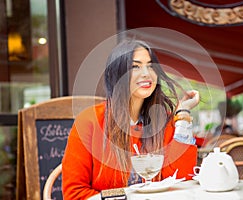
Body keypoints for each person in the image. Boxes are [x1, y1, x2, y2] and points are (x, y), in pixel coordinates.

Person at [62, 40, 200, 199]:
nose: (146, 73)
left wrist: (183, 114)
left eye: (150, 66)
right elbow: (74, 193)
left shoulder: (163, 120)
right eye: (135, 66)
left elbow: (181, 180)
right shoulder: (89, 121)